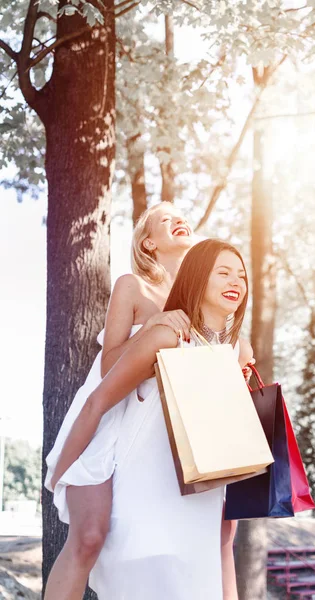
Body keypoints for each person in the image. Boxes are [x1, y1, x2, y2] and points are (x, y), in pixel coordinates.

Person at [44, 205, 245, 599]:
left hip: (159, 427)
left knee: (219, 530)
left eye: (182, 214)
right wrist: (153, 326)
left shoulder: (202, 297)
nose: (178, 219)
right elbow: (107, 365)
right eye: (164, 219)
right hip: (108, 420)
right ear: (148, 242)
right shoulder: (133, 286)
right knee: (89, 535)